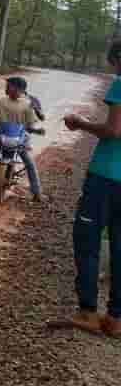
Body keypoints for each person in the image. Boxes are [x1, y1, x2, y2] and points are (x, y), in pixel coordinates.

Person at [60, 39, 121, 336]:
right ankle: (115, 319)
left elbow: (114, 130)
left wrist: (81, 123)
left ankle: (87, 311)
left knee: (87, 239)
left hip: (107, 177)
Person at [0, 76, 43, 201]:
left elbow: (32, 122)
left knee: (29, 163)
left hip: (19, 136)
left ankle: (37, 192)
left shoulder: (28, 104)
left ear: (18, 89)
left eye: (9, 86)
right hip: (2, 132)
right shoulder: (2, 101)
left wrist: (35, 129)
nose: (6, 88)